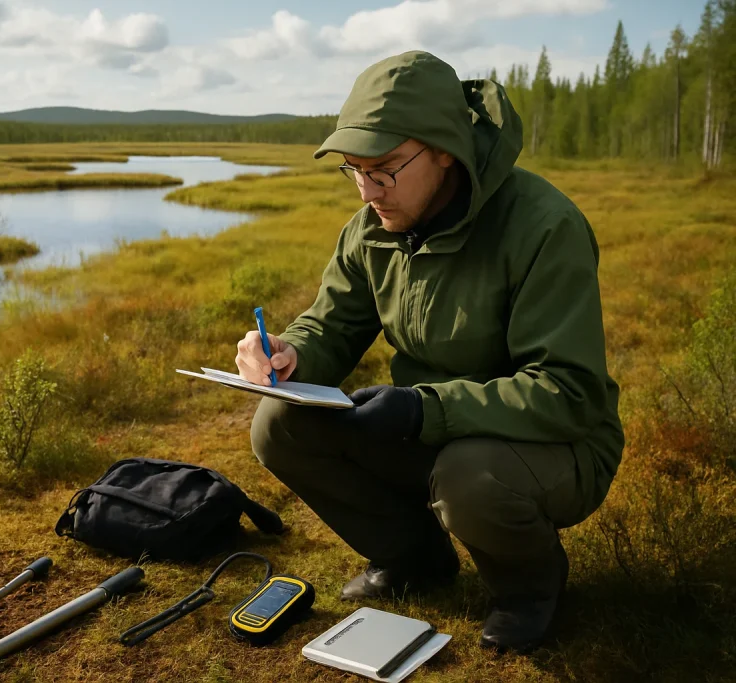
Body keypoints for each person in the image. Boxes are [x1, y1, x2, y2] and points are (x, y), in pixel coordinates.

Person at [235, 51, 625, 654]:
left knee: (470, 473)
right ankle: (413, 559)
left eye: (385, 169)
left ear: (446, 148)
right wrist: (287, 355)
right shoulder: (371, 228)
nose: (368, 191)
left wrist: (423, 409)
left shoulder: (543, 227)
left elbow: (568, 393)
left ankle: (529, 586)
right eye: (354, 170)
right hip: (429, 429)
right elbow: (331, 326)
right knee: (277, 424)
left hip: (555, 445)